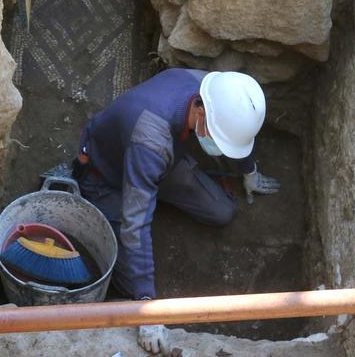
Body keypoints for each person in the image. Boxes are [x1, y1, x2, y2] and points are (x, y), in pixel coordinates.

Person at [72, 68, 280, 352]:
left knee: (222, 212)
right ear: (201, 112)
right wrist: (146, 307)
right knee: (130, 284)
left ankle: (152, 190)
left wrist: (249, 170)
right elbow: (135, 224)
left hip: (162, 162)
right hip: (106, 178)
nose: (220, 146)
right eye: (218, 139)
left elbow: (235, 130)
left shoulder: (214, 90)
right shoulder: (151, 142)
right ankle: (128, 223)